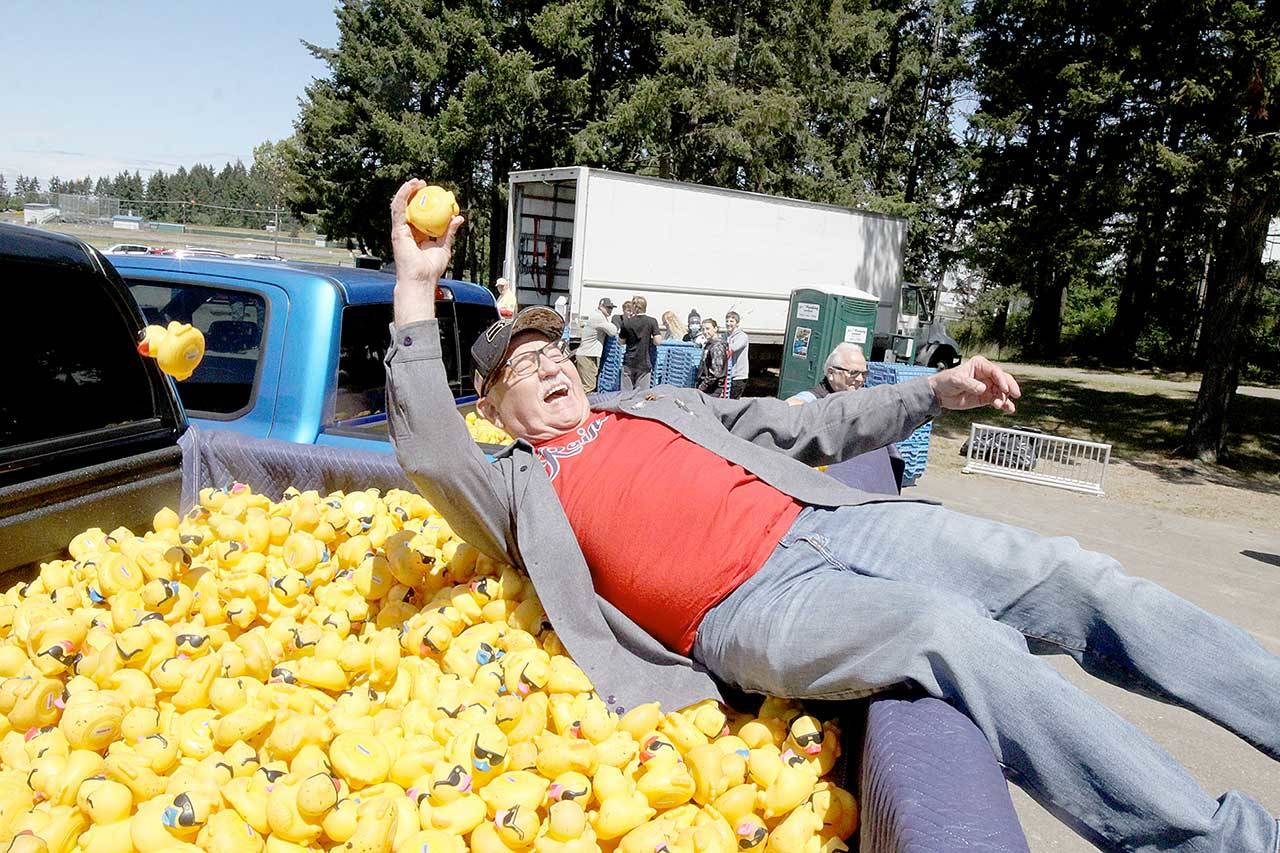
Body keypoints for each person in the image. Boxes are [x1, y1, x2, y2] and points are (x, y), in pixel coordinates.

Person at [385, 180, 1280, 853]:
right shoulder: (512, 488)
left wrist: (931, 391)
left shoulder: (659, 404)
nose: (545, 363)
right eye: (517, 366)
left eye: (552, 346)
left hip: (831, 521)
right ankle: (1217, 839)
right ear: (495, 411)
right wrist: (417, 286)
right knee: (945, 633)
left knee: (1072, 572)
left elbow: (813, 424)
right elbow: (427, 447)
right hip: (749, 610)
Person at [785, 342, 868, 405]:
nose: (860, 379)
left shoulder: (861, 397)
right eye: (853, 372)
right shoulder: (816, 398)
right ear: (831, 373)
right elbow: (792, 404)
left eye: (864, 374)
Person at [575, 297, 619, 394]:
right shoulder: (598, 317)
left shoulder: (598, 316)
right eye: (608, 307)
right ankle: (584, 407)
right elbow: (613, 331)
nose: (610, 310)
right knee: (588, 386)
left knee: (588, 385)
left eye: (611, 308)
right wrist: (617, 320)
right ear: (600, 306)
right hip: (587, 355)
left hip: (588, 354)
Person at [618, 295, 661, 391]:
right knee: (641, 395)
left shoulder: (626, 322)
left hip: (629, 362)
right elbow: (658, 341)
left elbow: (621, 341)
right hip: (644, 362)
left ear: (635, 307)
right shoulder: (652, 321)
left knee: (626, 394)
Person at [694, 318, 730, 396]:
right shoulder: (709, 344)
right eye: (703, 329)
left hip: (712, 389)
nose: (705, 332)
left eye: (708, 329)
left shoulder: (717, 346)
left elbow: (716, 372)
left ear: (715, 329)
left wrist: (702, 386)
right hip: (707, 388)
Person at [724, 311, 749, 398]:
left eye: (731, 321)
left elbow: (732, 348)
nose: (728, 323)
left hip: (738, 376)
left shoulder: (742, 336)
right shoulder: (724, 336)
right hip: (726, 375)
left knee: (733, 402)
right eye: (727, 321)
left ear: (737, 323)